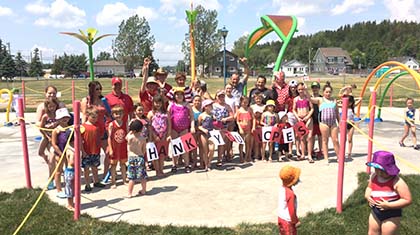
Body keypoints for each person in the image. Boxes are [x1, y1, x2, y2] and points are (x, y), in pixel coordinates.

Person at [365, 151, 412, 235]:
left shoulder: (397, 182)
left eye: (383, 171)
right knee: (372, 232)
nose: (379, 173)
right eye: (377, 169)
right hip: (375, 211)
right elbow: (369, 188)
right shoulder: (374, 176)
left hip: (391, 214)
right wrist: (367, 196)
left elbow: (407, 199)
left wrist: (389, 205)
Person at [81, 81, 110, 180]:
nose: (99, 91)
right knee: (91, 154)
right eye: (96, 89)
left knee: (108, 152)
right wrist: (82, 131)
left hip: (102, 129)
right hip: (90, 131)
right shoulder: (86, 101)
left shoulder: (103, 100)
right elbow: (84, 115)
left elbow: (108, 114)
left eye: (100, 89)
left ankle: (106, 174)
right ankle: (91, 178)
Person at [310, 81, 340, 163]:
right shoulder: (320, 100)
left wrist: (339, 122)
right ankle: (326, 158)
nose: (328, 93)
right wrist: (305, 90)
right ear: (323, 92)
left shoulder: (334, 101)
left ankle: (339, 157)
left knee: (335, 140)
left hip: (333, 123)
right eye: (326, 92)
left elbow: (337, 113)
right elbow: (310, 99)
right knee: (325, 140)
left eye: (330, 92)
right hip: (324, 123)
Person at [168, 87, 195, 173]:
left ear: (183, 96)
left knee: (186, 148)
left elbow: (192, 117)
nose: (179, 96)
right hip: (174, 129)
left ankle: (186, 164)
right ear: (174, 96)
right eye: (177, 94)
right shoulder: (171, 105)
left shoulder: (187, 105)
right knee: (175, 147)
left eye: (180, 95)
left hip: (184, 129)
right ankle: (174, 164)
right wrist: (169, 132)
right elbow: (168, 119)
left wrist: (192, 126)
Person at [80, 107, 106, 192]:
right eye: (93, 117)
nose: (95, 119)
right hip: (86, 151)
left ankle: (96, 181)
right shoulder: (83, 127)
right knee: (86, 168)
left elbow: (100, 136)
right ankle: (87, 184)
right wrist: (83, 151)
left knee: (95, 167)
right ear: (88, 116)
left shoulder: (97, 126)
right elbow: (80, 141)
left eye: (96, 117)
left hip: (96, 150)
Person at [38, 97, 59, 189]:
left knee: (52, 157)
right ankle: (50, 164)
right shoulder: (45, 116)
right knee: (40, 152)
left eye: (53, 106)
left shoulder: (58, 115)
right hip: (47, 137)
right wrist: (46, 136)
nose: (52, 108)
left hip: (55, 138)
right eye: (50, 107)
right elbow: (41, 128)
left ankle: (51, 179)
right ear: (47, 107)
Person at [51, 108, 72, 198]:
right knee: (59, 171)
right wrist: (60, 153)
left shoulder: (70, 129)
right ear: (58, 119)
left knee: (69, 171)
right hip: (59, 153)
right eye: (62, 117)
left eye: (66, 117)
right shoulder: (56, 130)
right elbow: (54, 143)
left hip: (68, 153)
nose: (64, 119)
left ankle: (69, 187)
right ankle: (59, 189)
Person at [147, 95, 171, 176]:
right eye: (156, 103)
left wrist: (168, 134)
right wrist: (153, 136)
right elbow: (149, 126)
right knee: (155, 155)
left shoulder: (166, 113)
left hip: (163, 136)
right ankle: (157, 170)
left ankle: (161, 169)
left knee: (162, 154)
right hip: (154, 137)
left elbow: (169, 124)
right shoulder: (151, 113)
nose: (158, 104)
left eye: (159, 103)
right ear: (153, 103)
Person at [107, 105, 128, 189]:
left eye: (120, 113)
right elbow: (109, 137)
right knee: (113, 165)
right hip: (114, 147)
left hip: (123, 146)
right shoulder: (112, 125)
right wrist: (110, 148)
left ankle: (124, 180)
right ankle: (113, 182)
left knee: (123, 164)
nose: (118, 115)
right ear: (113, 115)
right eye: (116, 114)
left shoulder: (125, 123)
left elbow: (127, 134)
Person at [126, 119, 148, 198]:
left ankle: (129, 193)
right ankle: (144, 190)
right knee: (142, 176)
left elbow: (126, 137)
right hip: (140, 157)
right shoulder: (142, 138)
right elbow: (144, 149)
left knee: (132, 177)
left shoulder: (130, 137)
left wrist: (131, 131)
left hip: (131, 157)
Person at [293, 82, 314, 163]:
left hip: (308, 118)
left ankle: (309, 155)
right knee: (302, 138)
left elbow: (312, 109)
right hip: (300, 119)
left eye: (302, 89)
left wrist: (307, 117)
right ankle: (302, 154)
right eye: (299, 89)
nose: (301, 91)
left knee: (309, 137)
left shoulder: (308, 98)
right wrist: (297, 117)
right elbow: (294, 109)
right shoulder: (296, 99)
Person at [213, 90, 234, 165]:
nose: (221, 98)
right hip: (213, 127)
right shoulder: (213, 105)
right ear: (216, 97)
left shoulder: (227, 106)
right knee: (212, 144)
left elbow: (232, 116)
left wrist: (226, 119)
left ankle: (219, 159)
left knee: (221, 143)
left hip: (223, 127)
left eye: (222, 96)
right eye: (219, 96)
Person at [278, 165, 301, 235]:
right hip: (288, 221)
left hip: (281, 218)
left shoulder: (282, 189)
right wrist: (296, 221)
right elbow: (291, 209)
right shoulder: (290, 194)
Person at [198, 99, 216, 171]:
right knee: (205, 150)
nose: (211, 107)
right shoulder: (201, 115)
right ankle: (206, 164)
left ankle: (209, 161)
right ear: (205, 107)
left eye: (211, 105)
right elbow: (198, 126)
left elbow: (214, 124)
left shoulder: (212, 115)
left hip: (211, 133)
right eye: (209, 105)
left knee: (212, 149)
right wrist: (203, 129)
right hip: (204, 133)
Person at [235, 96, 254, 163]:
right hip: (242, 127)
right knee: (241, 143)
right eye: (244, 102)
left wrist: (253, 127)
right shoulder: (239, 111)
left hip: (248, 128)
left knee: (247, 143)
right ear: (241, 102)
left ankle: (247, 157)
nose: (245, 104)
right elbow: (237, 121)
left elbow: (253, 118)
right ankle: (241, 157)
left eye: (247, 102)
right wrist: (240, 128)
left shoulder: (250, 109)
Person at [250, 92, 265, 161]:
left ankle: (261, 154)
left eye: (259, 99)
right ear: (254, 99)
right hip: (255, 125)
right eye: (257, 99)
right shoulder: (252, 106)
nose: (258, 100)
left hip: (262, 125)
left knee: (262, 142)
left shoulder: (264, 107)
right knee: (256, 142)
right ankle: (256, 155)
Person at [310, 81, 323, 159]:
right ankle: (311, 150)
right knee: (312, 136)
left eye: (316, 87)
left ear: (319, 88)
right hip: (312, 118)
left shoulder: (321, 98)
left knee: (320, 136)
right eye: (313, 87)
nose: (315, 89)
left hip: (320, 118)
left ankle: (320, 150)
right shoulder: (309, 97)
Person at [63, 132, 75, 211]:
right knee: (70, 188)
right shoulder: (71, 150)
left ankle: (71, 203)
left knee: (73, 188)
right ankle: (70, 205)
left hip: (71, 170)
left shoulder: (69, 147)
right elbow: (71, 162)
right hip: (70, 171)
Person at [344, 95, 356, 160]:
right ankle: (342, 152)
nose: (348, 103)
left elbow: (360, 99)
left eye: (350, 102)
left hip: (351, 125)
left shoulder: (352, 107)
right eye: (347, 102)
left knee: (350, 139)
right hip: (344, 125)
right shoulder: (343, 106)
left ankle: (349, 153)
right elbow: (336, 103)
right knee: (344, 139)